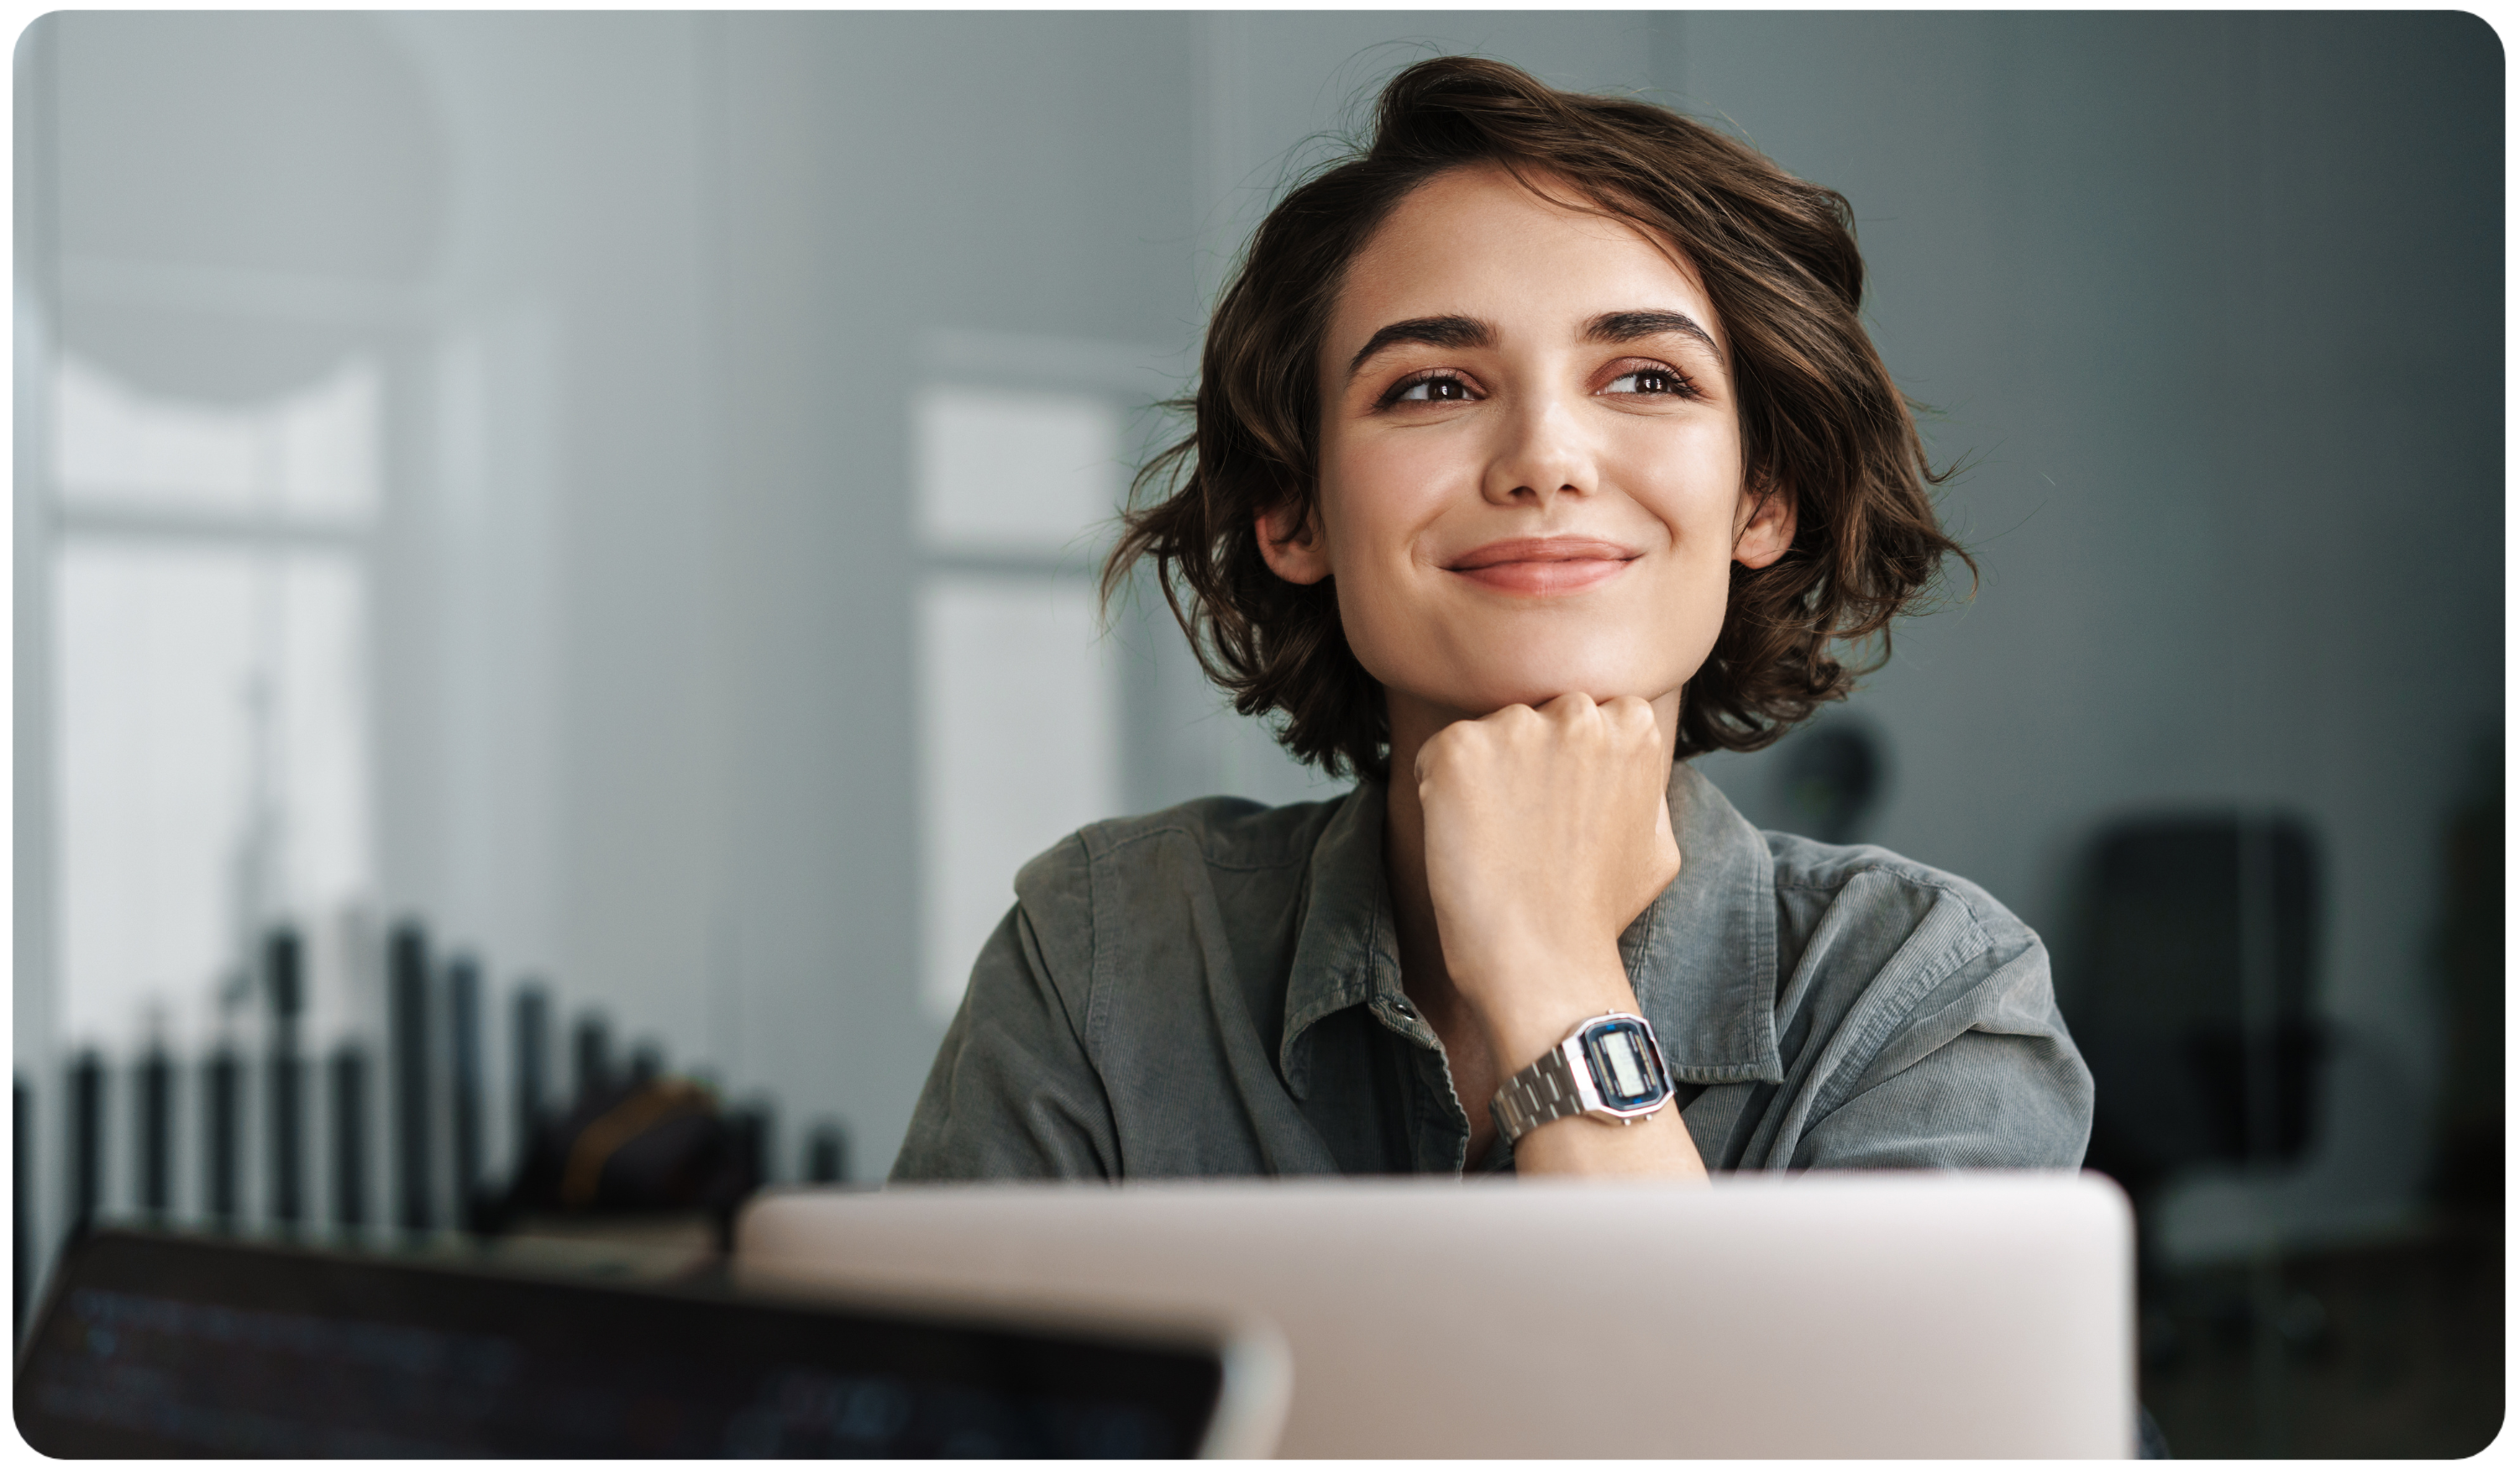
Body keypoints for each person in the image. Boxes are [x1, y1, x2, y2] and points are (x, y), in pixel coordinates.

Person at [892, 55, 2091, 1184]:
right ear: (1292, 510)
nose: (1544, 459)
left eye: (1647, 378)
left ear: (1761, 497)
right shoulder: (1102, 953)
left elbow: (1744, 1419)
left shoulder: (1926, 996)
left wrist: (1551, 969)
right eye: (1432, 387)